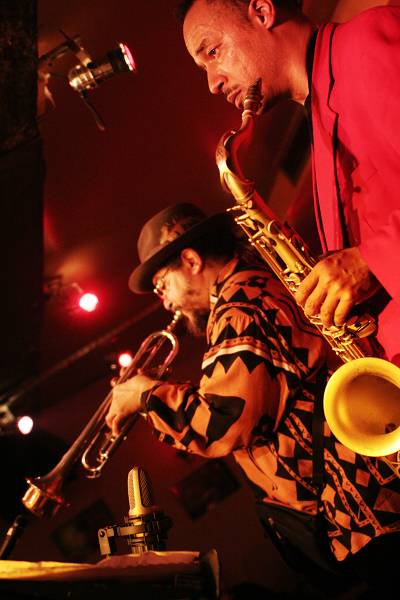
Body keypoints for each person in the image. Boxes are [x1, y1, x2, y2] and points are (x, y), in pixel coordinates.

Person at [106, 202, 400, 596]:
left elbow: (225, 424)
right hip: (368, 509)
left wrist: (144, 395)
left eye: (162, 285)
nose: (164, 301)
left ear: (190, 260)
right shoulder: (254, 286)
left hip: (369, 512)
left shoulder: (239, 306)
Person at [176, 0, 400, 367]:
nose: (213, 83)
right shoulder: (319, 124)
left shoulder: (368, 41)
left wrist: (370, 260)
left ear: (262, 12)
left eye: (213, 51)